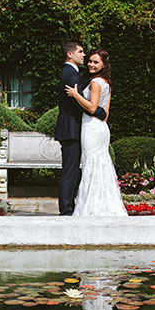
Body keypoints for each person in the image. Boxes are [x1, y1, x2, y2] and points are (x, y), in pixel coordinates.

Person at [65, 49, 128, 217]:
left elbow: (92, 107)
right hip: (101, 127)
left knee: (91, 165)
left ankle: (91, 207)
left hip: (91, 128)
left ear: (103, 64)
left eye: (95, 62)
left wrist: (75, 95)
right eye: (90, 61)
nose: (91, 65)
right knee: (101, 165)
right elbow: (105, 113)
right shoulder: (107, 82)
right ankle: (103, 205)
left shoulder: (95, 82)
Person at [54, 41, 107, 216]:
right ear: (70, 54)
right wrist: (99, 112)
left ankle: (71, 206)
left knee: (72, 169)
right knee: (70, 170)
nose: (83, 55)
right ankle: (66, 210)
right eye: (80, 52)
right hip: (70, 128)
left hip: (74, 128)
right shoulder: (71, 74)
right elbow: (77, 103)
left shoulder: (73, 73)